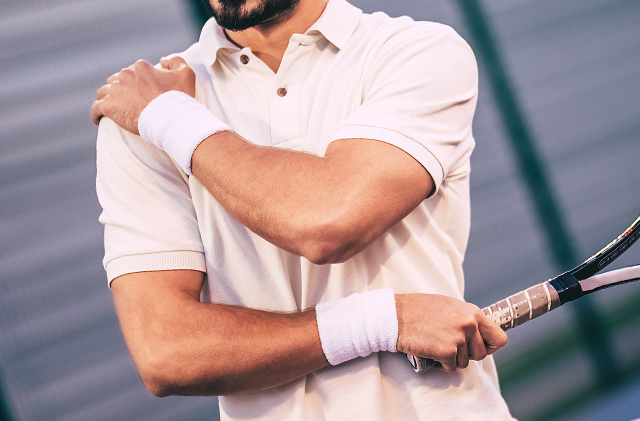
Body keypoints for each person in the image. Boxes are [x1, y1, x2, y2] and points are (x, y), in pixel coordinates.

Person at [91, 0, 515, 419]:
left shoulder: (414, 51)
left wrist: (173, 119)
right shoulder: (142, 107)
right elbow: (167, 353)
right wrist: (383, 320)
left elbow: (328, 222)